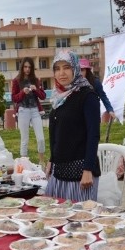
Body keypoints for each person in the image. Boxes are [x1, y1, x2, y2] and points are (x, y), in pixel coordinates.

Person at [45, 51, 101, 201]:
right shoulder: (58, 97)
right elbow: (56, 133)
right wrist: (52, 159)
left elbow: (93, 134)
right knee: (55, 217)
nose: (61, 73)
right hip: (59, 171)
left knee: (78, 220)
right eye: (57, 68)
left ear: (75, 68)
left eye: (66, 67)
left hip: (81, 173)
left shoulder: (87, 96)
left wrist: (88, 169)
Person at [11, 57, 46, 165]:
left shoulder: (36, 80)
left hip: (35, 110)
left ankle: (42, 161)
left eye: (29, 67)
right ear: (22, 67)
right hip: (23, 110)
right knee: (24, 139)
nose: (27, 69)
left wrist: (36, 89)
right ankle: (24, 163)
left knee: (40, 138)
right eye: (25, 67)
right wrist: (22, 92)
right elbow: (14, 98)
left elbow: (43, 96)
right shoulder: (16, 81)